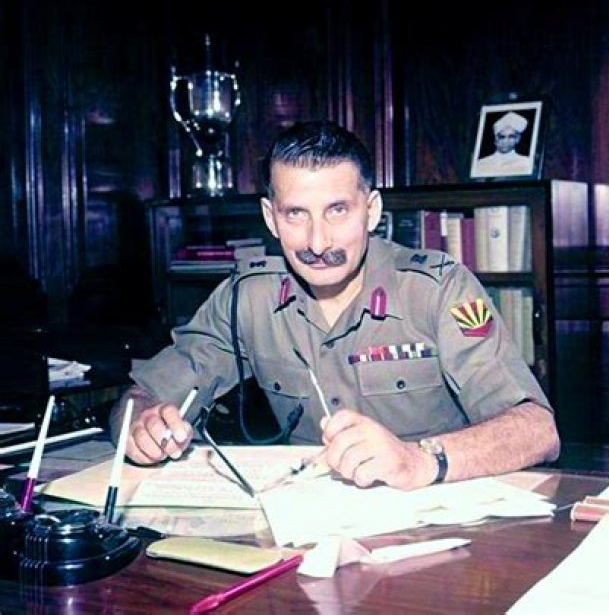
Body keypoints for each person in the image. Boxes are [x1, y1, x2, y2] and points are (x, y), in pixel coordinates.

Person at [110, 120, 560, 490]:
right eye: (296, 214)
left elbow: (537, 430)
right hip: (304, 525)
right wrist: (139, 427)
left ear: (372, 211)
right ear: (271, 218)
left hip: (435, 522)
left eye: (338, 210)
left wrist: (419, 461)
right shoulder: (247, 296)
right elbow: (138, 397)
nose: (318, 243)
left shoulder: (436, 289)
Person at [472, 111, 533, 177]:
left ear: (517, 139)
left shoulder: (526, 163)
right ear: (496, 140)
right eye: (502, 137)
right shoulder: (481, 164)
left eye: (511, 137)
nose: (506, 141)